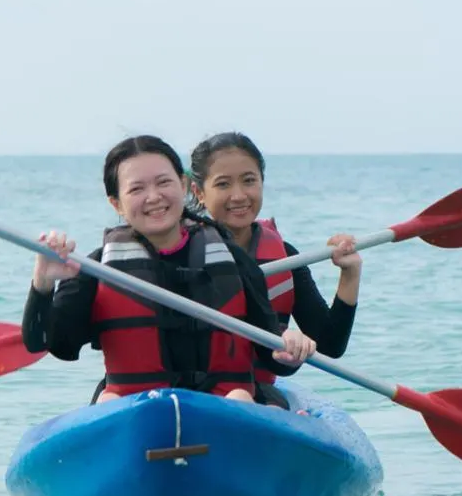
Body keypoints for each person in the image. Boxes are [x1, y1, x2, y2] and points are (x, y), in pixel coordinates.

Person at [21, 135, 316, 403]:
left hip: (223, 408)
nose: (154, 197)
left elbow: (272, 355)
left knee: (239, 397)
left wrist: (288, 348)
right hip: (138, 411)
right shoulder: (99, 268)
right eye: (137, 188)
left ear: (184, 186)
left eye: (163, 182)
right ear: (117, 204)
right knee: (108, 401)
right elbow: (49, 344)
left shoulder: (233, 260)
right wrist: (43, 283)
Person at [189, 131, 361, 406]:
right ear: (199, 192)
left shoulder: (284, 257)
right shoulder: (183, 253)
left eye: (249, 181)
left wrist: (350, 274)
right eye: (223, 184)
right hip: (188, 390)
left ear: (262, 183)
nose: (238, 195)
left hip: (253, 392)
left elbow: (329, 346)